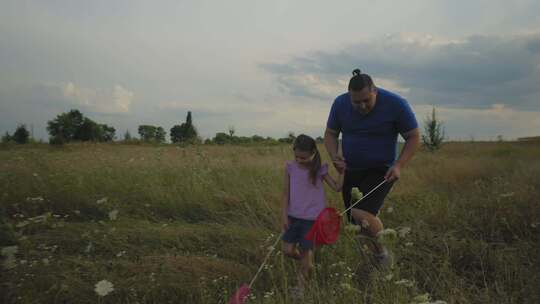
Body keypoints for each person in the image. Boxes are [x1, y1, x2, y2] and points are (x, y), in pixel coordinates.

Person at [324, 69, 420, 269]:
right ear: (349, 96)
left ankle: (385, 254)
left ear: (375, 90)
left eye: (366, 100)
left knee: (361, 213)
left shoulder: (396, 104)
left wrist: (399, 165)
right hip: (350, 170)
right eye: (356, 102)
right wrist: (335, 157)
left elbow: (413, 136)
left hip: (382, 170)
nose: (361, 106)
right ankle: (373, 261)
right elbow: (331, 133)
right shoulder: (340, 103)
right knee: (356, 224)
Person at [281, 134, 343, 293]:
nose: (299, 160)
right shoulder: (290, 167)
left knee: (306, 257)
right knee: (287, 250)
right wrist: (284, 215)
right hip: (293, 217)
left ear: (313, 153)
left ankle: (300, 289)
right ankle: (307, 264)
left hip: (312, 221)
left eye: (303, 157)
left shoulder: (319, 169)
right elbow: (285, 194)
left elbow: (337, 187)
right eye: (297, 156)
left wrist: (343, 172)